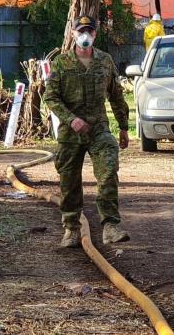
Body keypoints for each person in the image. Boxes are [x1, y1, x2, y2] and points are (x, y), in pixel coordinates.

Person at [44, 15, 131, 248]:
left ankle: (111, 226)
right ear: (73, 34)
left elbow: (116, 94)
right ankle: (71, 227)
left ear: (95, 34)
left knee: (108, 169)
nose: (85, 36)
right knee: (69, 179)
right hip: (71, 132)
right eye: (81, 31)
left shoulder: (105, 61)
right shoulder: (61, 63)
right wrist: (71, 120)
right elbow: (50, 97)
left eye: (89, 31)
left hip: (98, 128)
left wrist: (123, 127)